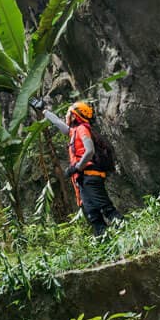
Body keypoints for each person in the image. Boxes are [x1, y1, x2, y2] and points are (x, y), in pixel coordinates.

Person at [30, 97, 123, 236]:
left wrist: (77, 167)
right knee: (93, 215)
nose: (67, 115)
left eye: (69, 112)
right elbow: (57, 123)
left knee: (106, 208)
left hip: (90, 176)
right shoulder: (74, 132)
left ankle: (128, 234)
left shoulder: (82, 129)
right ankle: (105, 242)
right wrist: (43, 110)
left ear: (75, 115)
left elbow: (89, 151)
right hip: (83, 179)